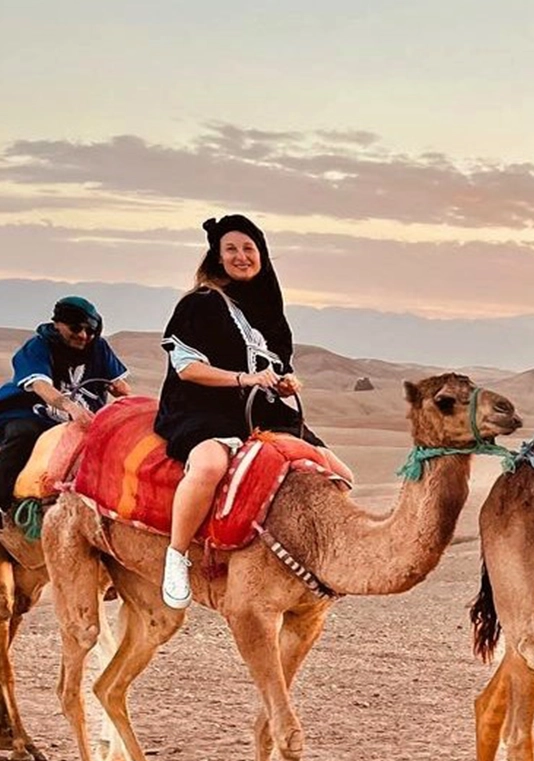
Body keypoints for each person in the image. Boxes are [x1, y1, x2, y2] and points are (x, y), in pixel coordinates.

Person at [155, 214, 353, 609]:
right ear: (217, 256)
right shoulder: (200, 305)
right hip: (201, 407)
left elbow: (275, 367)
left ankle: (303, 555)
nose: (241, 256)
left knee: (341, 475)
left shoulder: (270, 312)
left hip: (261, 412)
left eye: (249, 248)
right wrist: (243, 379)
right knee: (209, 465)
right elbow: (187, 367)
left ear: (262, 255)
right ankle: (176, 556)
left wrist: (284, 382)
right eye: (231, 249)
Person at [0, 296, 130, 514]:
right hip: (33, 415)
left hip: (84, 421)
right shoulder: (38, 347)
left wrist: (121, 390)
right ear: (58, 323)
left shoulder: (98, 347)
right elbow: (40, 385)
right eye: (76, 328)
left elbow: (119, 384)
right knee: (22, 433)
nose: (83, 335)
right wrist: (70, 407)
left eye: (90, 331)